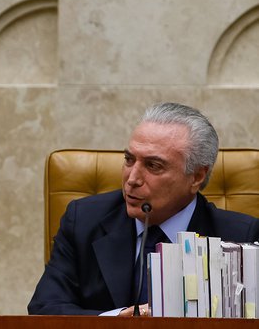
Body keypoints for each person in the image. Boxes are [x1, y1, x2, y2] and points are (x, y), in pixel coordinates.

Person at [28, 102, 259, 316]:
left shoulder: (241, 237)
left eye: (153, 166)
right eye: (129, 160)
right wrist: (118, 321)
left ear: (196, 176)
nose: (132, 179)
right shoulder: (84, 220)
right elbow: (45, 308)